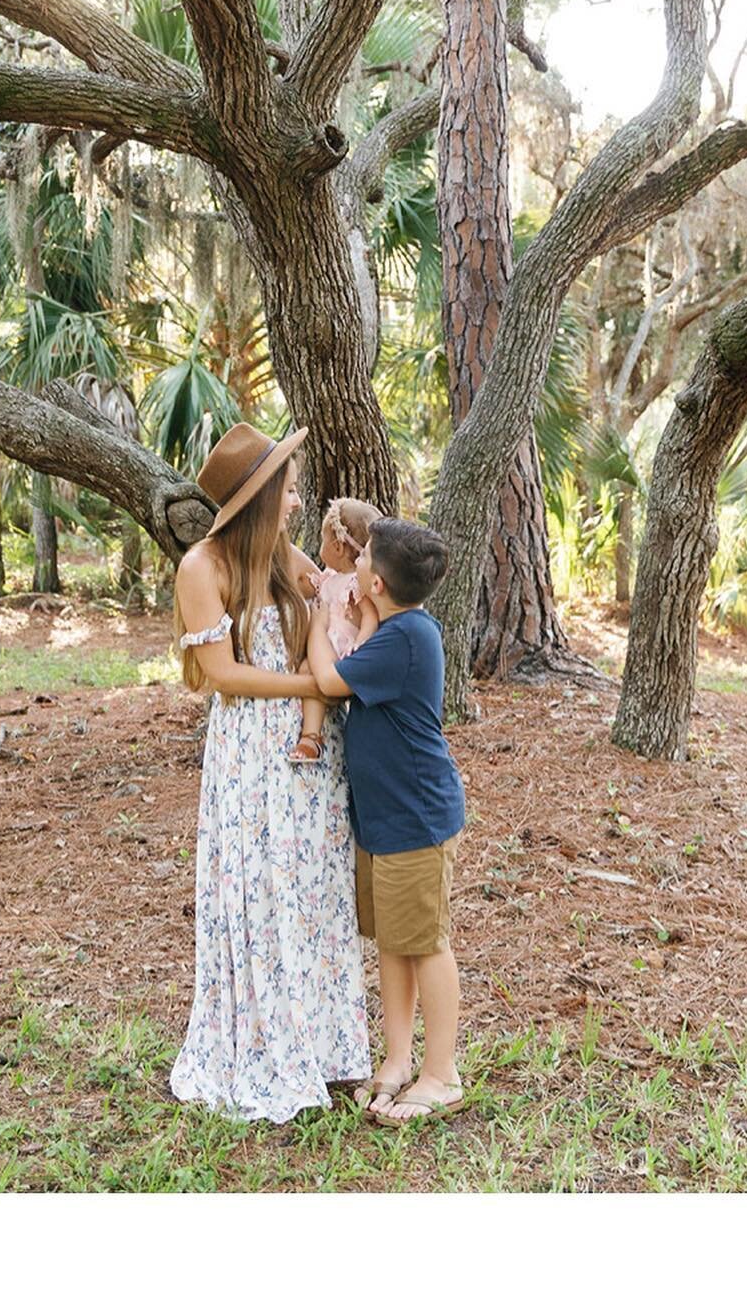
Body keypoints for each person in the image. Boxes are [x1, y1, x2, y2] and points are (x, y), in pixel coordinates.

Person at [168, 421, 370, 1122]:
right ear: (258, 498)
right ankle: (259, 1044)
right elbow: (220, 674)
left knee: (312, 893)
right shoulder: (203, 567)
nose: (294, 500)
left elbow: (342, 601)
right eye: (286, 487)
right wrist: (313, 689)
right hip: (252, 756)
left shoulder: (284, 557)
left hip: (312, 761)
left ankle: (322, 1045)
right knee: (258, 892)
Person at [307, 515, 467, 1125]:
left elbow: (326, 679)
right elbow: (369, 630)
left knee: (425, 945)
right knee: (395, 945)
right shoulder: (400, 627)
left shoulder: (405, 641)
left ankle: (441, 1073)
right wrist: (360, 610)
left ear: (375, 584)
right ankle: (399, 1059)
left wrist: (320, 622)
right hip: (387, 817)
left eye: (364, 556)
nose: (356, 560)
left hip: (416, 817)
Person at [288, 495, 382, 766]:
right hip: (323, 639)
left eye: (322, 540)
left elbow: (370, 617)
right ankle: (313, 734)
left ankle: (311, 736)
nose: (319, 547)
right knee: (306, 672)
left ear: (338, 547)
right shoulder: (330, 576)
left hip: (339, 644)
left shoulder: (355, 582)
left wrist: (361, 644)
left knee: (310, 673)